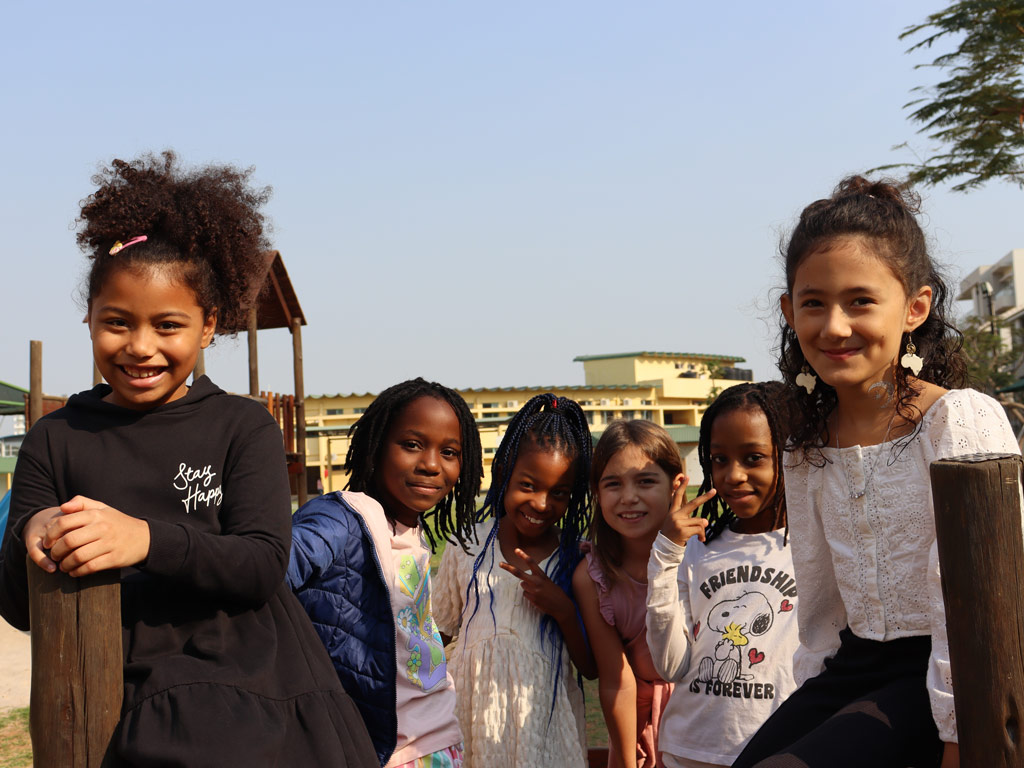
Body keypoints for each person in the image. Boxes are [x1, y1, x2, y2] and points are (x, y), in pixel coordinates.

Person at [0, 151, 376, 766]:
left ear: (209, 328)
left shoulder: (241, 425)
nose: (140, 347)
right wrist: (30, 538)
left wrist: (144, 540)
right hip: (104, 691)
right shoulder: (56, 437)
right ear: (88, 320)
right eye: (116, 323)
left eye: (168, 325)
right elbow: (18, 609)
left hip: (250, 689)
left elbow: (260, 563)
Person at [732, 176, 1020, 768]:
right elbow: (820, 609)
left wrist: (959, 733)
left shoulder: (955, 420)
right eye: (813, 303)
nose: (834, 327)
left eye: (860, 301)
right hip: (854, 668)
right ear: (789, 311)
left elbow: (983, 603)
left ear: (915, 307)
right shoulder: (808, 442)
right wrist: (811, 707)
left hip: (954, 672)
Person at [288, 378, 483, 768]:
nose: (430, 464)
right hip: (386, 749)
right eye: (412, 445)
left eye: (449, 452)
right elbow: (266, 569)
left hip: (438, 738)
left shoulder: (414, 531)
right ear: (376, 448)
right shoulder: (346, 516)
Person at [433, 393, 596, 768]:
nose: (541, 503)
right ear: (503, 471)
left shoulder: (578, 559)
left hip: (542, 727)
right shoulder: (467, 545)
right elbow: (435, 637)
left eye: (559, 493)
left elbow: (590, 668)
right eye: (528, 485)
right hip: (468, 718)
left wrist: (563, 609)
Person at [645, 383, 797, 768]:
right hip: (691, 750)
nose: (733, 475)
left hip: (783, 752)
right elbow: (670, 666)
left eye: (753, 457)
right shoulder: (695, 548)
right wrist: (665, 555)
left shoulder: (814, 548)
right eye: (718, 459)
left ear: (790, 454)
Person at [573, 419, 682, 768]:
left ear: (676, 485)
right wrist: (625, 758)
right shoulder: (592, 577)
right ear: (596, 492)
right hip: (636, 734)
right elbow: (617, 682)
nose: (629, 497)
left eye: (646, 481)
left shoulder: (702, 559)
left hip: (703, 724)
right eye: (613, 484)